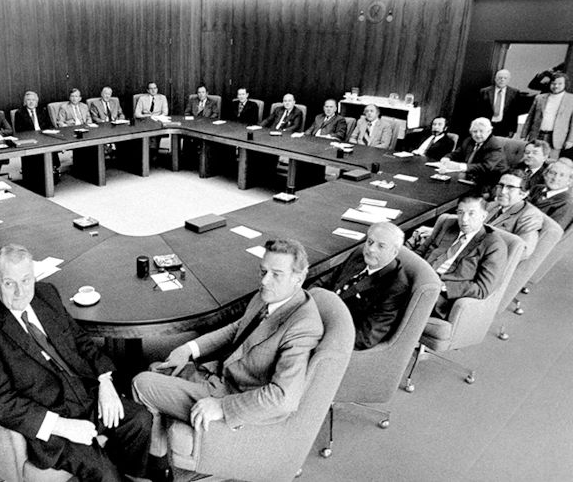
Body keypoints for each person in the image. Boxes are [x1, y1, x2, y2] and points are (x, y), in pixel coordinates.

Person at [0, 244, 159, 482]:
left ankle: (131, 474)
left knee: (140, 420)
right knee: (103, 471)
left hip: (85, 393)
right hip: (47, 417)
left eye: (26, 280)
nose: (20, 292)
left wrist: (105, 382)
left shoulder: (46, 294)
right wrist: (63, 426)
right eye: (9, 283)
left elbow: (80, 340)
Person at [132, 239, 323, 468]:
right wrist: (188, 349)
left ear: (298, 278)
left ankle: (152, 464)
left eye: (276, 274)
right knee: (156, 368)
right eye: (263, 271)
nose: (264, 280)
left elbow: (283, 399)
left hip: (234, 395)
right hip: (220, 374)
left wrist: (222, 407)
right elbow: (236, 329)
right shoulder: (269, 295)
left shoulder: (304, 325)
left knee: (141, 382)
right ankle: (159, 451)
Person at [312, 222, 409, 350]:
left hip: (334, 336)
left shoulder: (395, 287)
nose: (371, 249)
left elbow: (367, 337)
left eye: (381, 246)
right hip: (315, 315)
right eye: (370, 242)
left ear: (394, 252)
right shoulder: (359, 255)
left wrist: (321, 337)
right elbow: (325, 281)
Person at [411, 196, 507, 317]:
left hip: (439, 295)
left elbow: (482, 289)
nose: (464, 220)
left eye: (471, 214)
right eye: (460, 213)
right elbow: (422, 251)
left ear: (484, 216)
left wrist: (444, 287)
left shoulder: (494, 245)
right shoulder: (448, 225)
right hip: (419, 277)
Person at [438, 117, 507, 195]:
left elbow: (486, 167)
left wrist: (460, 166)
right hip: (469, 176)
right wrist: (446, 158)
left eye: (481, 131)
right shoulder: (468, 141)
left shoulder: (495, 145)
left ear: (489, 131)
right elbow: (457, 153)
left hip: (489, 181)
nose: (477, 134)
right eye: (475, 131)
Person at [485, 170, 544, 259]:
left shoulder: (530, 215)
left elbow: (523, 251)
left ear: (523, 194)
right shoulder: (493, 205)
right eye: (501, 186)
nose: (503, 191)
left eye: (510, 187)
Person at [521, 72, 573, 159]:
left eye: (560, 84)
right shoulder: (540, 98)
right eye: (553, 83)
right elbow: (530, 118)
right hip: (537, 135)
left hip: (555, 138)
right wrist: (523, 135)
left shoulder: (571, 100)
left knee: (550, 162)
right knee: (533, 158)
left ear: (565, 84)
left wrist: (570, 140)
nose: (556, 86)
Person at [527, 158, 573, 230]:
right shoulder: (537, 188)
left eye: (562, 175)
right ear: (545, 174)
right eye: (552, 173)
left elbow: (551, 232)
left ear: (569, 180)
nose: (555, 178)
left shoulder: (567, 203)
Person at [476, 69, 520, 137]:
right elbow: (478, 111)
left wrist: (512, 130)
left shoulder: (514, 93)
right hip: (487, 125)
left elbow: (514, 113)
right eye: (500, 78)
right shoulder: (484, 91)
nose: (502, 80)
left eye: (505, 78)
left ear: (508, 80)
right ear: (495, 79)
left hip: (503, 126)